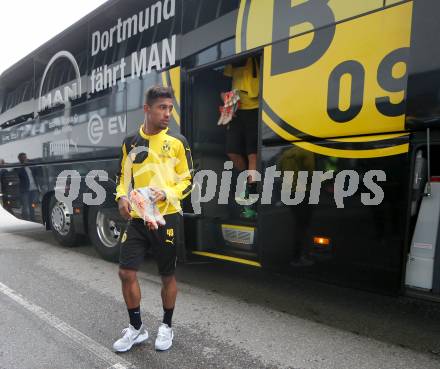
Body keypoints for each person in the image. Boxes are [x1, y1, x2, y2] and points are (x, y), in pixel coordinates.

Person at [113, 85, 193, 352]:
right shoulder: (130, 142)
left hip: (167, 217)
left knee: (167, 276)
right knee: (126, 272)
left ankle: (166, 326)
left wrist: (167, 192)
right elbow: (122, 179)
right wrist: (122, 198)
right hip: (138, 218)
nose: (167, 113)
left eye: (170, 108)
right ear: (147, 109)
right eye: (162, 108)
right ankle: (137, 329)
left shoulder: (178, 142)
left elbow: (188, 180)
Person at [222, 56, 260, 218]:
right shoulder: (233, 58)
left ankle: (251, 197)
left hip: (257, 107)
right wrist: (227, 102)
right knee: (231, 150)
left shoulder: (257, 58)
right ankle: (247, 179)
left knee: (253, 153)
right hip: (236, 109)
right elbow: (223, 88)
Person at [16, 153, 39, 221]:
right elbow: (18, 174)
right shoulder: (19, 168)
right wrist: (22, 165)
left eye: (25, 157)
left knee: (32, 205)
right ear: (20, 159)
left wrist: (30, 162)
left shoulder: (30, 166)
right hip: (25, 190)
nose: (25, 158)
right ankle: (25, 219)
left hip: (33, 188)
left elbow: (37, 169)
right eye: (23, 157)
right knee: (25, 205)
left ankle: (33, 218)